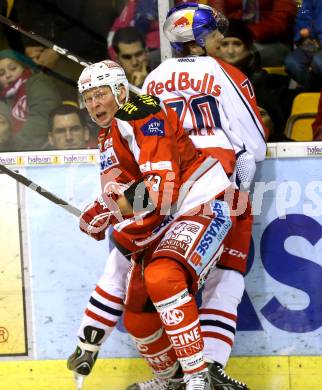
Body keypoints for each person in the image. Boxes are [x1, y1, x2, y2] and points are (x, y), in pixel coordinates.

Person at [68, 59, 237, 390]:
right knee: (138, 317)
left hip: (202, 203)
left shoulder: (142, 115)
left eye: (100, 94)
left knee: (162, 277)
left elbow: (161, 189)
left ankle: (197, 378)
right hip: (165, 217)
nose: (94, 104)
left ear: (120, 91)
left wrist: (109, 209)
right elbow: (126, 199)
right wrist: (106, 212)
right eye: (87, 97)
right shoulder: (108, 136)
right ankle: (170, 381)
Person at [217, 18, 289, 141]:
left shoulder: (266, 84)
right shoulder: (211, 81)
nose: (230, 51)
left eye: (237, 44)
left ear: (249, 47)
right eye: (224, 44)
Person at [0, 49, 61, 150]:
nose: (8, 75)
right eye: (1, 73)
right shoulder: (5, 100)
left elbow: (41, 119)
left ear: (24, 67)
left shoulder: (38, 82)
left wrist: (11, 149)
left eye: (13, 68)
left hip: (42, 150)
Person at [218, 0, 298, 67]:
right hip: (228, 37)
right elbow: (216, 15)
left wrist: (246, 34)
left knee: (241, 55)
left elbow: (281, 20)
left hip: (272, 41)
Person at [284, 0, 322, 91]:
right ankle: (313, 92)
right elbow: (304, 14)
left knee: (318, 62)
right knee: (292, 62)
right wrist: (303, 31)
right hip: (312, 43)